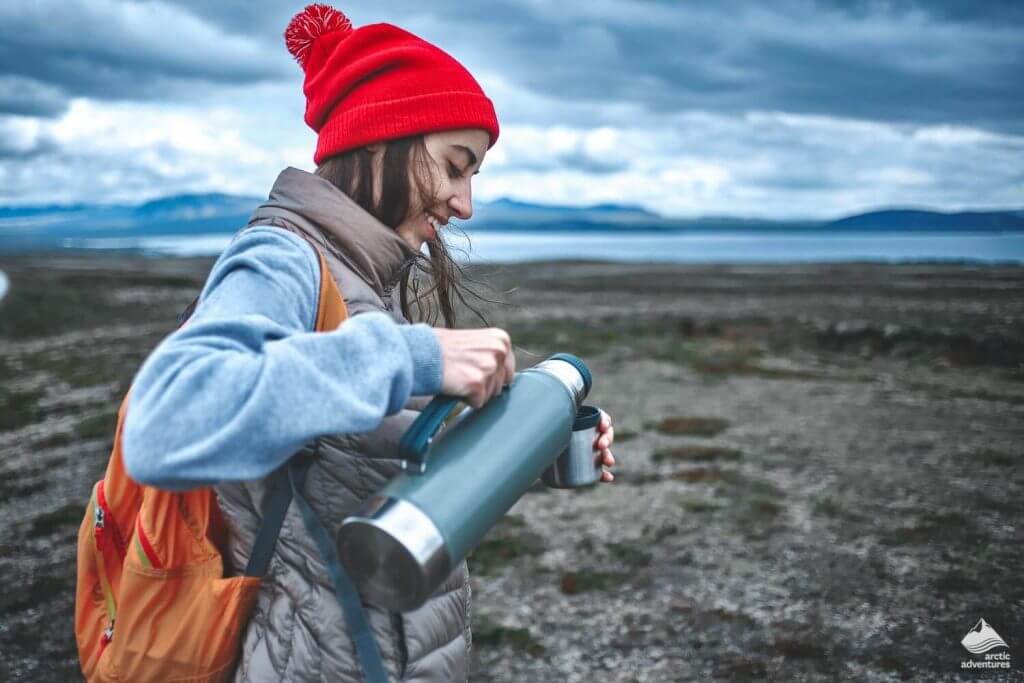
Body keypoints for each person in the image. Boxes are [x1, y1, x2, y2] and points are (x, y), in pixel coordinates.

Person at [122, 4, 616, 681]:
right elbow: (165, 423)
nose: (465, 202)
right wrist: (412, 354)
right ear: (382, 140)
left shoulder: (366, 277)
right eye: (454, 165)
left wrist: (534, 444)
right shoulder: (282, 258)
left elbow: (355, 465)